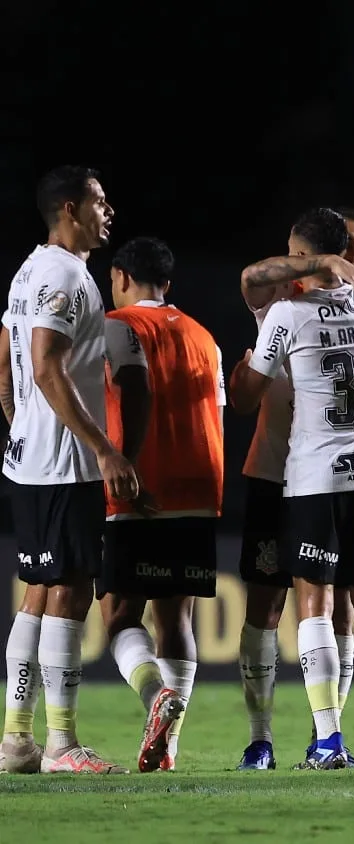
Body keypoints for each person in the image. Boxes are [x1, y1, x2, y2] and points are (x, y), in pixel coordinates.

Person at [229, 207, 354, 771]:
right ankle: (268, 739)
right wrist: (332, 263)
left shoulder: (291, 312)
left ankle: (327, 736)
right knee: (276, 607)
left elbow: (243, 396)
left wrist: (348, 267)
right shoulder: (301, 296)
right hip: (288, 472)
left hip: (310, 476)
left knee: (328, 609)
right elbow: (253, 277)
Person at [0, 166, 136, 775]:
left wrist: (21, 424)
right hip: (64, 465)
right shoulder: (64, 275)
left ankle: (16, 740)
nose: (108, 211)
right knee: (72, 590)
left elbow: (7, 361)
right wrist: (102, 448)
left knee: (37, 592)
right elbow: (45, 363)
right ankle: (60, 744)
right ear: (69, 209)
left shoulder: (28, 270)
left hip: (31, 458)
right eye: (99, 201)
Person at [96, 236, 224, 772]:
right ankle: (166, 750)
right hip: (200, 488)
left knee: (119, 615)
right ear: (167, 284)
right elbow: (217, 412)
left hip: (139, 485)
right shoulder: (205, 337)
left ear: (122, 277)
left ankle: (156, 695)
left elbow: (122, 395)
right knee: (177, 619)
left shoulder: (115, 326)